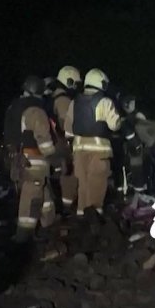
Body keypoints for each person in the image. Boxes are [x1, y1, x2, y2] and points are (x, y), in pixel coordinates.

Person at [3, 76, 59, 240]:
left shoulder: (14, 107)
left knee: (44, 195)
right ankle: (24, 236)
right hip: (34, 159)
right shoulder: (36, 110)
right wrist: (54, 157)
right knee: (32, 197)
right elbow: (43, 138)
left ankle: (48, 225)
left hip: (18, 159)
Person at [63, 68, 122, 214]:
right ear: (101, 83)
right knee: (96, 184)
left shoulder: (74, 102)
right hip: (99, 151)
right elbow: (114, 125)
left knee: (83, 184)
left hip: (78, 151)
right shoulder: (105, 102)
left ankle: (81, 214)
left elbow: (68, 130)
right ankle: (94, 217)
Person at [50, 65, 81, 213]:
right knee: (69, 176)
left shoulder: (54, 97)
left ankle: (62, 206)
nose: (76, 87)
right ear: (68, 82)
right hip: (62, 143)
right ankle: (66, 208)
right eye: (75, 83)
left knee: (59, 175)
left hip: (55, 142)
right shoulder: (63, 100)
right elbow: (65, 124)